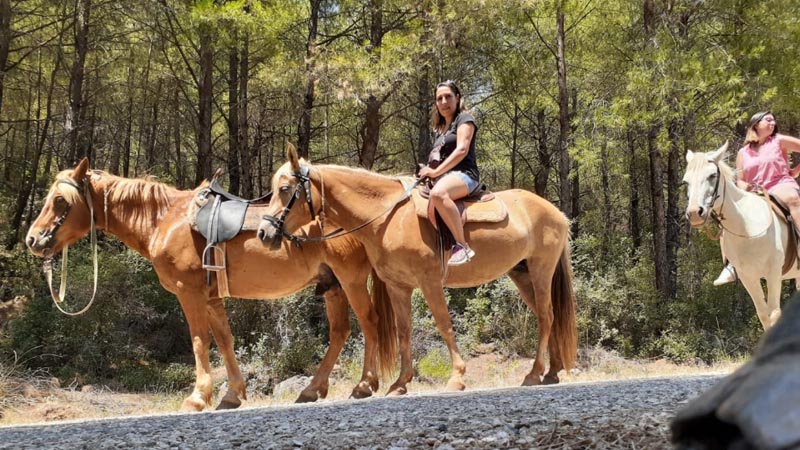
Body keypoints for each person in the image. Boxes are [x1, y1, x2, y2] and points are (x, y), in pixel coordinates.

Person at [714, 111, 800, 285]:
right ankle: (730, 265)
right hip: (756, 192)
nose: (773, 122)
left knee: (792, 198)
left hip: (779, 185)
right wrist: (742, 195)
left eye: (773, 119)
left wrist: (795, 172)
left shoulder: (778, 141)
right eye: (768, 119)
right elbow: (742, 180)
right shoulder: (743, 153)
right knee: (728, 216)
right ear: (755, 125)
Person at [418, 80, 481, 266]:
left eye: (448, 97)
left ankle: (462, 246)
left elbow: (462, 150)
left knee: (439, 194)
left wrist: (436, 171)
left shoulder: (465, 119)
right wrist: (427, 172)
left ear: (458, 98)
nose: (444, 101)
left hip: (465, 175)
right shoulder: (440, 130)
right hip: (444, 177)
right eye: (439, 99)